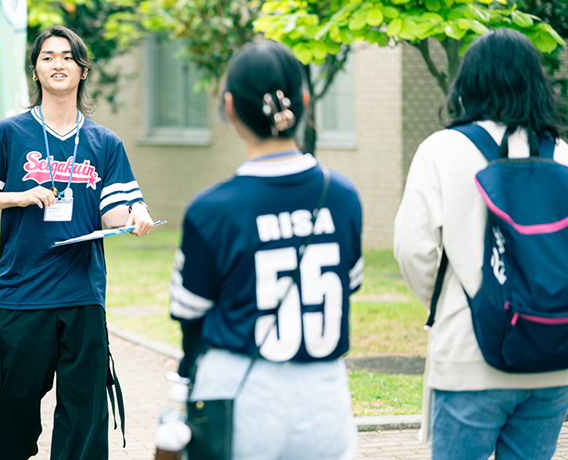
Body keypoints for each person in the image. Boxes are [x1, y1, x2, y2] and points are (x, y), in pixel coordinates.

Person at [0, 25, 154, 460]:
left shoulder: (105, 143)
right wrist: (20, 195)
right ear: (36, 71)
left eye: (67, 57)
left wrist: (136, 215)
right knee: (10, 410)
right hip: (20, 293)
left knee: (84, 414)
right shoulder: (9, 133)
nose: (58, 63)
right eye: (48, 57)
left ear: (83, 70)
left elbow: (115, 212)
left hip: (82, 295)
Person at [169, 40, 363, 459]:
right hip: (325, 393)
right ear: (305, 100)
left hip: (242, 392)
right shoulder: (344, 197)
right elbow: (351, 284)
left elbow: (189, 314)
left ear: (230, 108)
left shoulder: (212, 209)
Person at [394, 28, 568, 459]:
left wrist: (453, 301)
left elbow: (413, 249)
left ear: (468, 84)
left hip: (468, 357)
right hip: (552, 357)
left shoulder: (441, 149)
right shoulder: (562, 154)